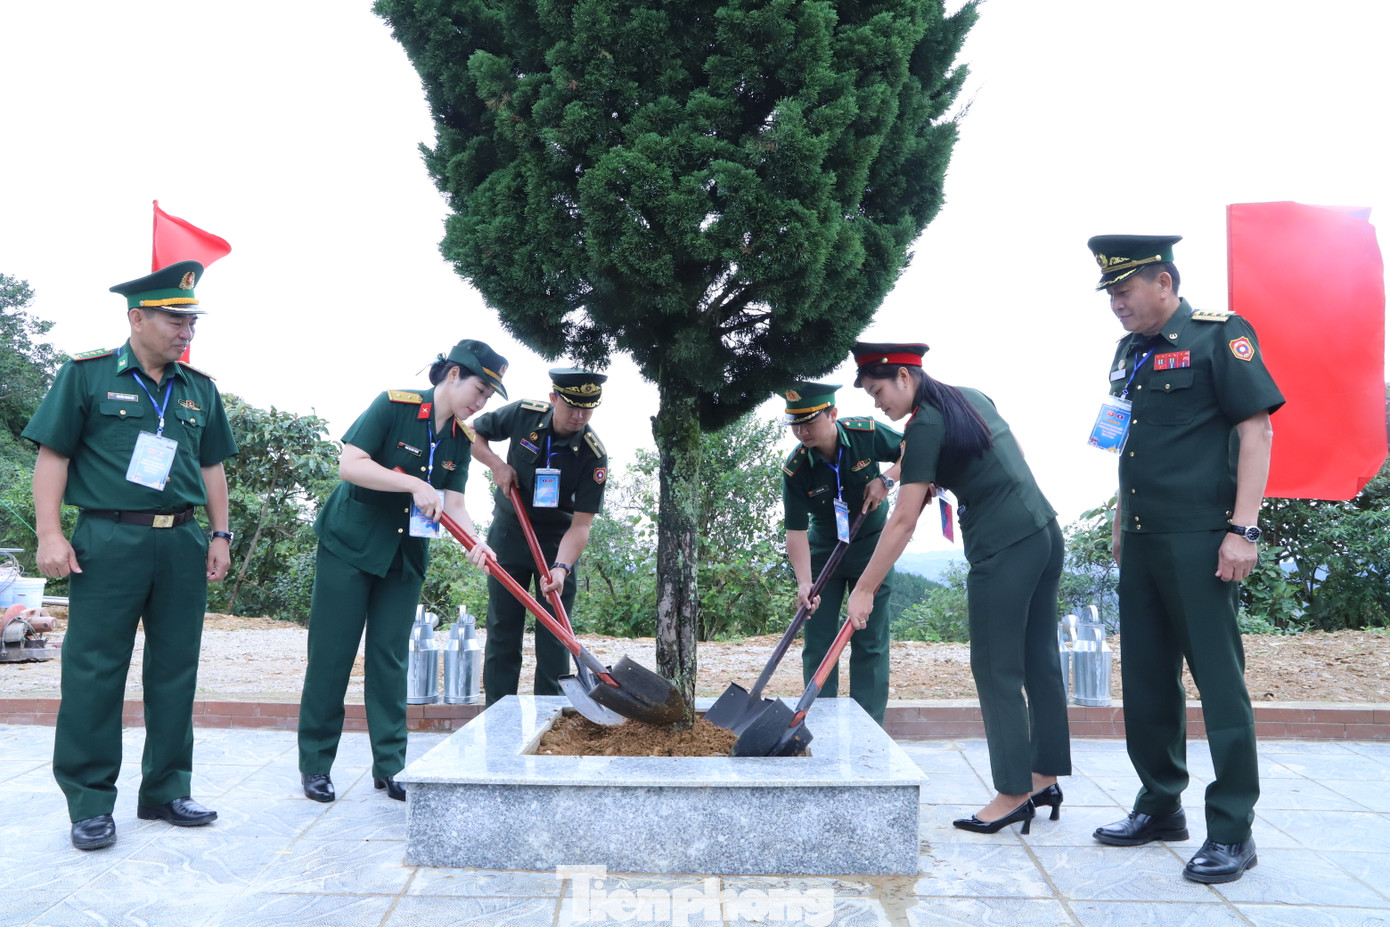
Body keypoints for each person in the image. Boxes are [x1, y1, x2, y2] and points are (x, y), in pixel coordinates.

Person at [1085, 234, 1283, 883]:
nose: (1116, 302)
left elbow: (1257, 429)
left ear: (1164, 281)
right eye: (1110, 292)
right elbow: (1129, 443)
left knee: (1219, 685)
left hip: (1203, 538)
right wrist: (1120, 521)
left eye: (1125, 289)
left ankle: (1232, 829)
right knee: (1146, 681)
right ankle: (1160, 803)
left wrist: (1244, 530)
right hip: (1141, 539)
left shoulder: (1218, 336)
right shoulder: (1128, 352)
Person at [23, 261, 237, 850]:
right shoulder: (87, 376)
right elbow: (54, 457)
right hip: (107, 540)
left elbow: (211, 466)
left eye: (191, 320)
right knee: (95, 670)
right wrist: (49, 533)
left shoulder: (200, 390)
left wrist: (220, 535)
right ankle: (91, 801)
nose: (186, 330)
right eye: (175, 318)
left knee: (175, 669)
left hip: (182, 542)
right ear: (136, 318)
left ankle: (166, 790)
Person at [846, 342, 1070, 836]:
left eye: (879, 390)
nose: (877, 403)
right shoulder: (967, 398)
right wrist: (893, 476)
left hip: (1003, 547)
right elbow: (933, 458)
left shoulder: (924, 422)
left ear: (905, 378)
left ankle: (1013, 792)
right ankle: (1044, 775)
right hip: (1043, 532)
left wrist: (864, 588)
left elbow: (903, 521)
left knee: (995, 667)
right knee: (1038, 660)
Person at [296, 339, 504, 803]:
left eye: (488, 398)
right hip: (350, 545)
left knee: (391, 659)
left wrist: (476, 541)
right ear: (453, 375)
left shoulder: (460, 439)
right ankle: (315, 764)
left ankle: (391, 766)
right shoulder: (394, 406)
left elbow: (453, 502)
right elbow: (350, 464)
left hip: (404, 556)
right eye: (479, 389)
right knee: (332, 656)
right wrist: (411, 482)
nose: (480, 403)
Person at [471, 368, 609, 705]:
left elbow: (581, 526)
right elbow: (471, 432)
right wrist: (496, 465)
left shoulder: (594, 456)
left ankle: (550, 715)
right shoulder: (523, 415)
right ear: (553, 399)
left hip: (555, 544)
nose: (579, 416)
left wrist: (561, 567)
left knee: (555, 634)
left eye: (587, 408)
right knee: (503, 628)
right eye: (572, 406)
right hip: (508, 533)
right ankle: (499, 713)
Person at [779, 382, 902, 725]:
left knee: (869, 639)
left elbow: (915, 450)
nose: (801, 432)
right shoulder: (796, 469)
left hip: (872, 547)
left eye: (810, 422)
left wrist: (887, 480)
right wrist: (805, 583)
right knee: (818, 642)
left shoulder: (865, 434)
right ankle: (820, 726)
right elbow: (795, 532)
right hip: (823, 554)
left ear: (832, 414)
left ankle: (868, 726)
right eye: (795, 424)